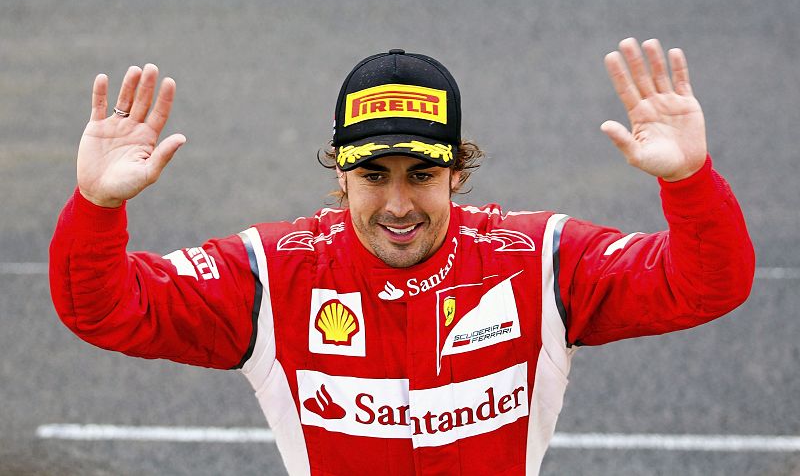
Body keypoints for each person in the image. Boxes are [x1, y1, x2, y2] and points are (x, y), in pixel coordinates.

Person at [49, 38, 755, 476]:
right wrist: (97, 204)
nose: (396, 204)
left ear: (456, 171)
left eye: (420, 174)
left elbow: (706, 284)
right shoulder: (273, 274)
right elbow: (105, 309)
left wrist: (688, 181)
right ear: (341, 174)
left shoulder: (537, 261)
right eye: (372, 175)